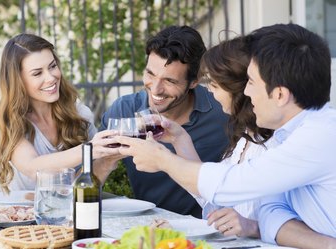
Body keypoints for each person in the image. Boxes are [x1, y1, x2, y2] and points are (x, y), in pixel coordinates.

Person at [113, 23, 336, 248]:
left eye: (251, 82)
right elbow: (270, 211)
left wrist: (162, 159)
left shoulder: (319, 136)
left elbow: (231, 184)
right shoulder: (288, 134)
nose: (246, 92)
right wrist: (181, 139)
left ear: (279, 94)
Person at [99, 25, 229, 218]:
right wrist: (107, 160)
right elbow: (87, 182)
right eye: (150, 74)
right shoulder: (123, 111)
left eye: (170, 81)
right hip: (148, 226)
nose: (156, 89)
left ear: (194, 81)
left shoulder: (223, 112)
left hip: (209, 229)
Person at [0, 33, 118, 193]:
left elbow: (79, 189)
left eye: (52, 66)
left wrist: (107, 159)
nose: (51, 77)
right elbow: (33, 168)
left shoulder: (79, 113)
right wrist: (90, 149)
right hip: (24, 215)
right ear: (18, 81)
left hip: (69, 212)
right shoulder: (9, 119)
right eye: (37, 73)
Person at [198, 36, 274, 238]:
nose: (209, 92)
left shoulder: (274, 142)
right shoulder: (246, 138)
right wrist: (179, 141)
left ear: (238, 89)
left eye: (214, 85)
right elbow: (215, 195)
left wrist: (255, 228)